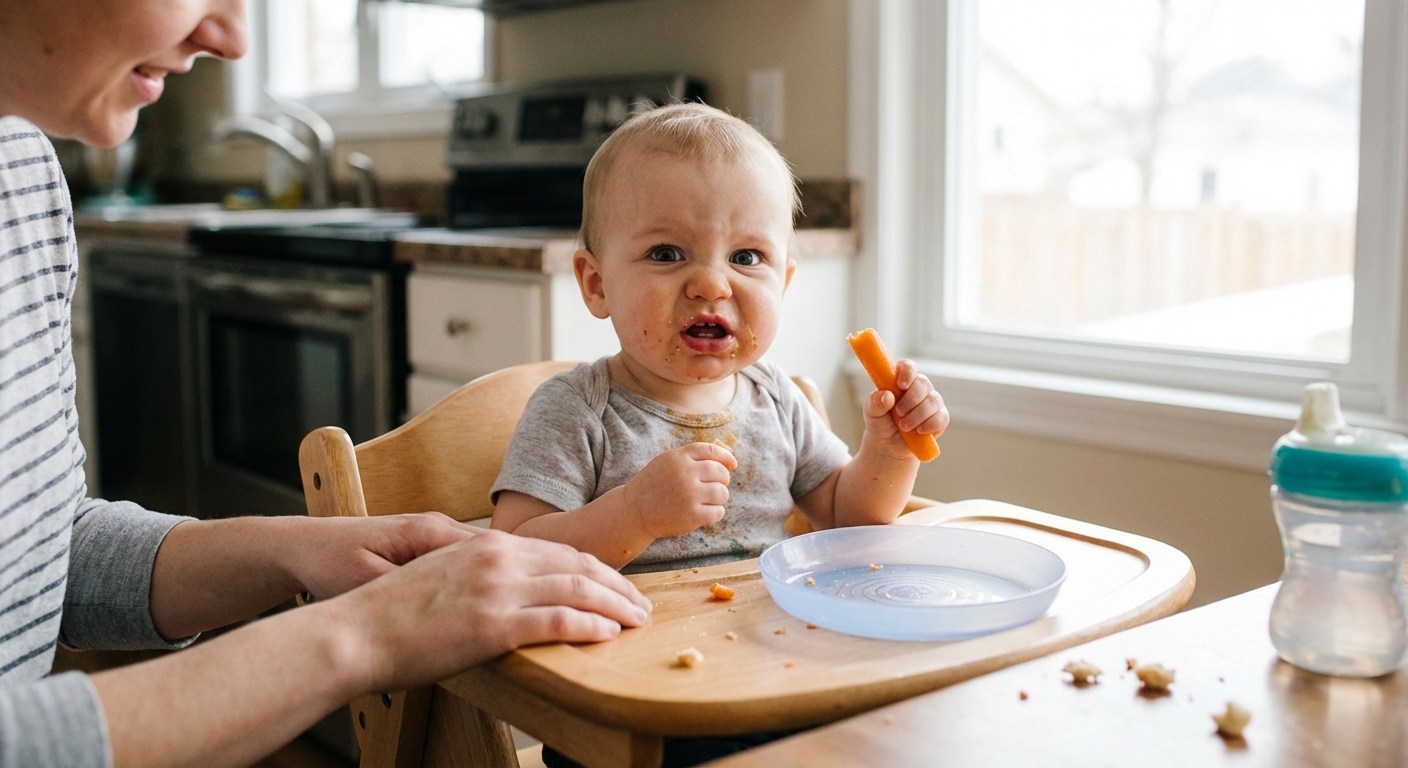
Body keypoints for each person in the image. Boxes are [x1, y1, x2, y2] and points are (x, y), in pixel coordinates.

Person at [0, 2, 652, 766]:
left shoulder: (23, 177)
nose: (232, 39)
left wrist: (294, 550)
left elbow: (44, 554)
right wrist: (370, 633)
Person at [491, 103, 949, 573]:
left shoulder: (776, 401)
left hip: (761, 618)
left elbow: (846, 518)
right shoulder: (576, 411)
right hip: (629, 620)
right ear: (597, 284)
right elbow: (511, 556)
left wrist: (889, 453)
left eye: (746, 257)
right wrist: (633, 514)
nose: (711, 285)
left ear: (782, 284)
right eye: (666, 254)